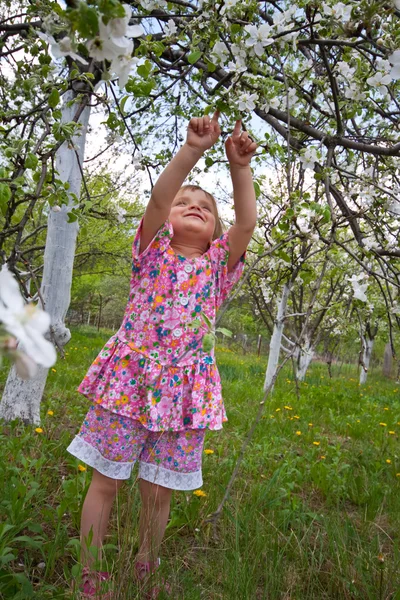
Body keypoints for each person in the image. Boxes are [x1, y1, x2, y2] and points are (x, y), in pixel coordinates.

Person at [67, 110, 258, 599]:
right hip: (129, 379)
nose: (194, 206)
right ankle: (90, 575)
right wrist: (192, 150)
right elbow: (157, 198)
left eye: (205, 207)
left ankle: (145, 565)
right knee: (106, 482)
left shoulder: (219, 268)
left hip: (186, 393)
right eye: (184, 201)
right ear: (166, 216)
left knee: (158, 493)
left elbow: (247, 224)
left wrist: (239, 168)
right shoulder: (150, 250)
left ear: (216, 232)